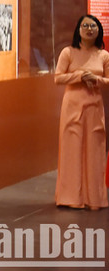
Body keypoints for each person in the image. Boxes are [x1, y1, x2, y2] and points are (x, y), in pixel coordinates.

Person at [54, 14, 109, 210]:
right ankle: (70, 196)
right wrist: (78, 76)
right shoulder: (68, 52)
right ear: (78, 29)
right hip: (73, 105)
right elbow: (58, 78)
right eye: (85, 25)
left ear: (98, 30)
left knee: (94, 148)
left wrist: (96, 79)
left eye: (93, 26)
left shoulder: (103, 55)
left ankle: (95, 197)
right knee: (72, 148)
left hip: (94, 105)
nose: (89, 29)